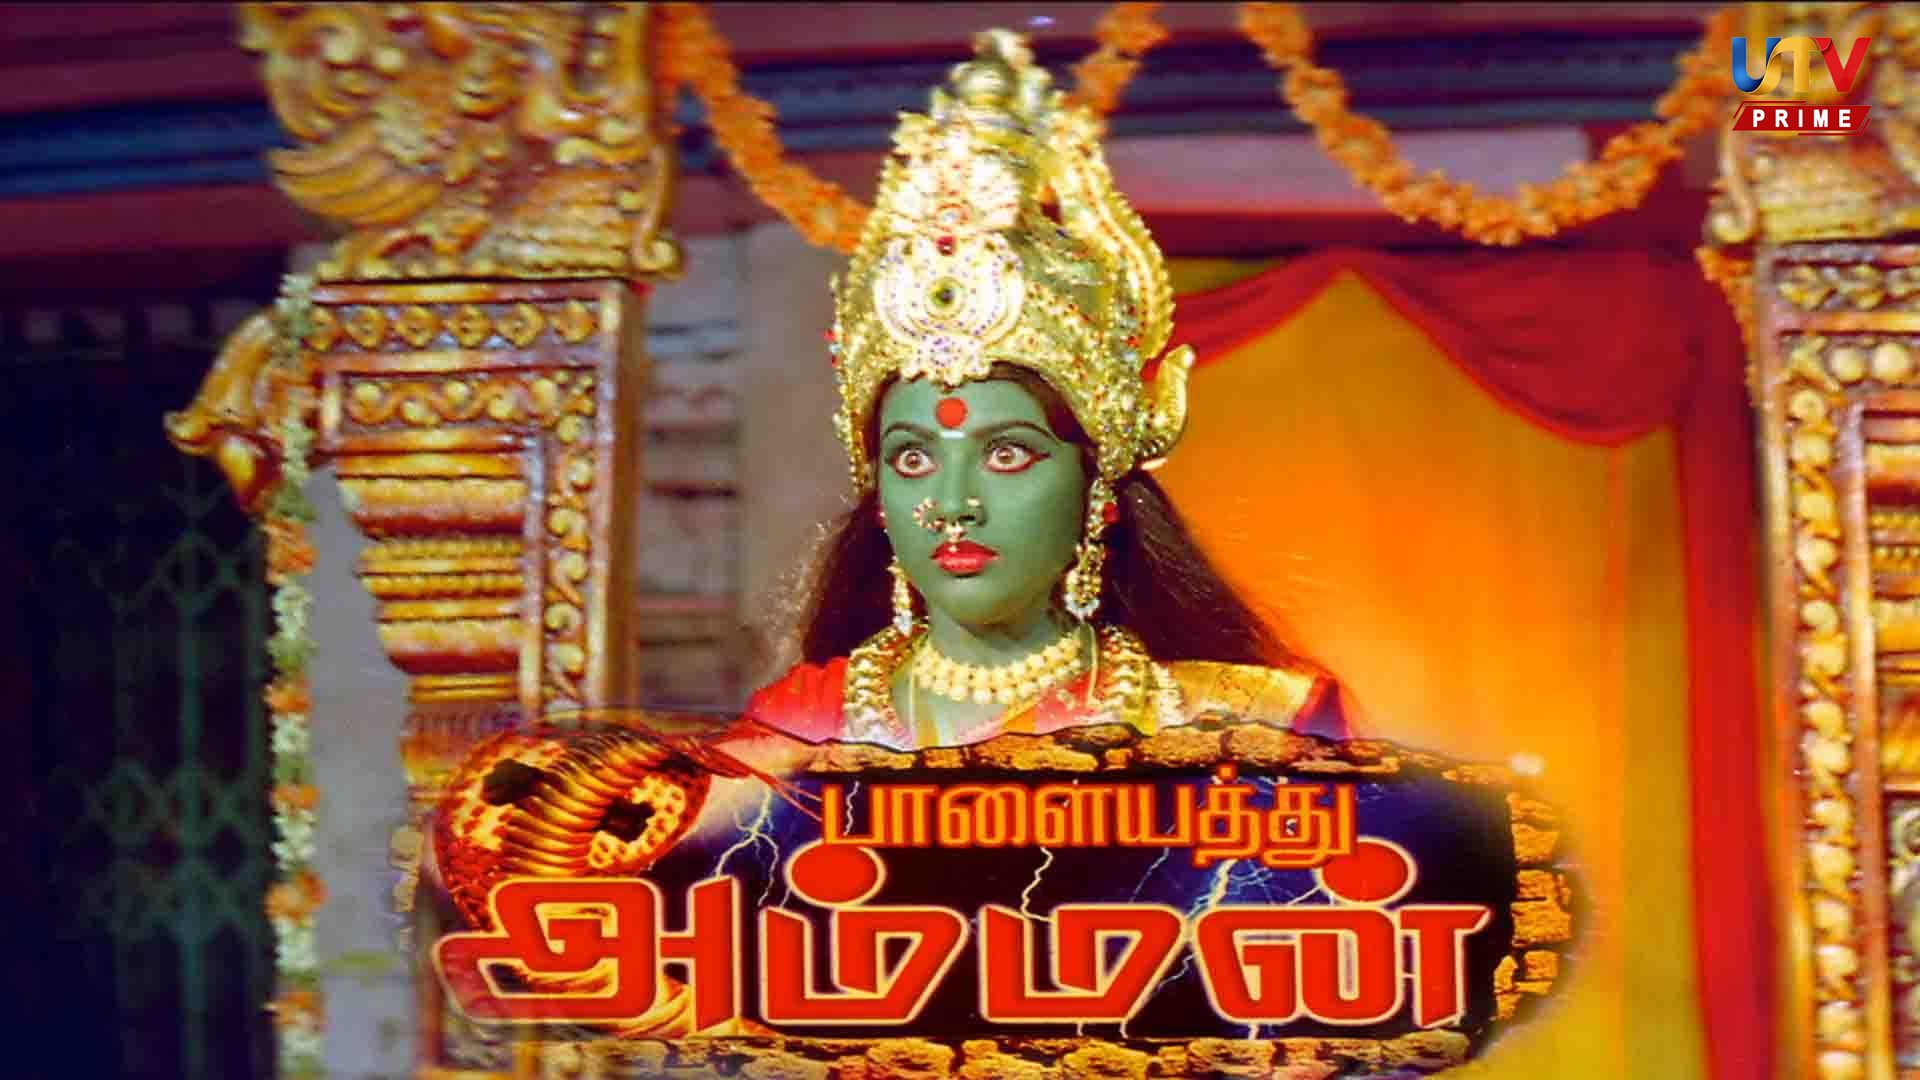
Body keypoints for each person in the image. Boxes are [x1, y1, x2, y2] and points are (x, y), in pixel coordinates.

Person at [739, 30, 1343, 751]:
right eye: (912, 458)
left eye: (1007, 454)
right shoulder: (796, 735)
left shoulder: (1241, 727)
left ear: (1097, 485)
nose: (953, 504)